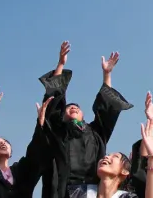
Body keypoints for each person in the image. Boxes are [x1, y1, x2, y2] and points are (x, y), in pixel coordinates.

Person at [36, 42, 135, 198]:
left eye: (77, 108)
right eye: (69, 108)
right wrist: (61, 64)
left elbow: (106, 110)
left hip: (91, 192)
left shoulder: (95, 133)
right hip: (60, 191)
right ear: (63, 114)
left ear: (83, 115)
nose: (74, 108)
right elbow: (52, 104)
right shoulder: (57, 131)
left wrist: (107, 75)